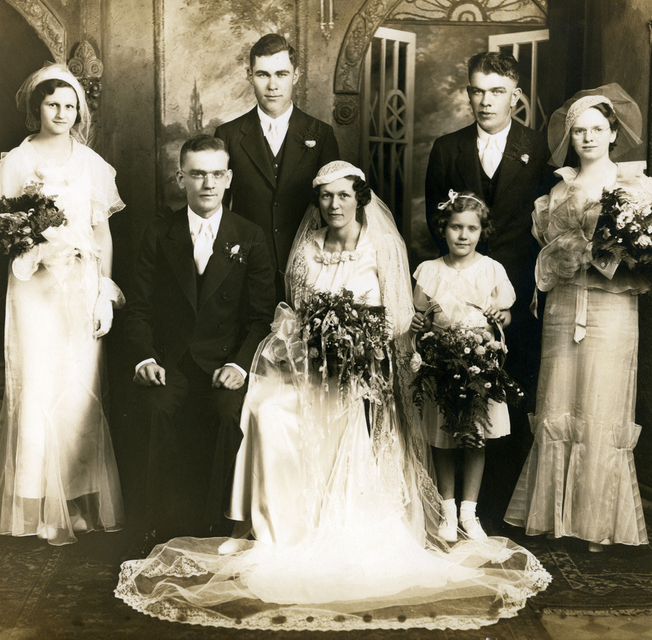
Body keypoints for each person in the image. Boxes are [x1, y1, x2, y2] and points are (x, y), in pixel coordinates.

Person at [115, 161, 551, 632]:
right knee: (267, 408)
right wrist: (313, 347)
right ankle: (273, 528)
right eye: (325, 196)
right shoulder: (306, 248)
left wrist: (359, 352)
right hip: (310, 364)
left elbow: (398, 320)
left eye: (344, 196)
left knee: (335, 414)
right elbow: (294, 315)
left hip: (365, 369)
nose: (334, 205)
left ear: (360, 198)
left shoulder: (381, 247)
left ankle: (334, 522)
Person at [504, 84, 652, 551]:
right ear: (571, 137)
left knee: (602, 403)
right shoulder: (558, 192)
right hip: (565, 306)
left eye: (597, 129)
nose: (587, 138)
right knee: (559, 397)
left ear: (613, 134)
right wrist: (567, 252)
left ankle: (597, 524)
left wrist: (617, 250)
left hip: (611, 306)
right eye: (579, 130)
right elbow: (545, 254)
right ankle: (552, 517)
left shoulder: (637, 187)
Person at [0, 64, 125, 545]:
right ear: (36, 107)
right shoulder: (15, 162)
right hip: (34, 289)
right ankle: (37, 503)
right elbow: (1, 230)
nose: (61, 113)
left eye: (70, 105)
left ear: (79, 111)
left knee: (79, 391)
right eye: (52, 104)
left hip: (80, 284)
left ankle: (77, 499)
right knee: (37, 385)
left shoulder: (93, 165)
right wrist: (34, 250)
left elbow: (102, 232)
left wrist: (103, 289)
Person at [124, 134, 275, 546]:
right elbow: (137, 309)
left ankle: (215, 526)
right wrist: (144, 360)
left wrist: (240, 365)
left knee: (228, 415)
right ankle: (157, 524)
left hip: (223, 363)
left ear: (228, 179)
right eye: (197, 174)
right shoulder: (159, 233)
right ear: (180, 179)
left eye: (215, 174)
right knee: (154, 408)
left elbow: (263, 317)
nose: (207, 184)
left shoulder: (251, 235)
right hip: (169, 362)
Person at [424, 51, 553, 521]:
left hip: (517, 294)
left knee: (511, 392)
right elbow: (434, 223)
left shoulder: (539, 148)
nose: (485, 101)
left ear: (515, 96)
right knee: (454, 395)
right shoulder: (447, 148)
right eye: (477, 90)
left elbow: (548, 224)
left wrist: (519, 295)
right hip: (460, 292)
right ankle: (455, 505)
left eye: (496, 91)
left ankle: (501, 507)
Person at [411, 190, 515, 543]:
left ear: (481, 231)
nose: (463, 235)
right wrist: (418, 325)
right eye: (456, 227)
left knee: (474, 437)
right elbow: (420, 315)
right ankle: (447, 510)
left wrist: (500, 315)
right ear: (444, 229)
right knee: (443, 438)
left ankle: (470, 513)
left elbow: (506, 313)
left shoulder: (492, 270)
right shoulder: (429, 271)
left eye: (471, 228)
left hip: (479, 366)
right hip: (442, 364)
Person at [215, 33, 340, 300]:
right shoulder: (228, 135)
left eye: (281, 74)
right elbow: (218, 210)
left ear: (296, 75)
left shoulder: (321, 134)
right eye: (263, 75)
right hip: (245, 270)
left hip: (309, 267)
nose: (272, 85)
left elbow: (334, 206)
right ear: (250, 76)